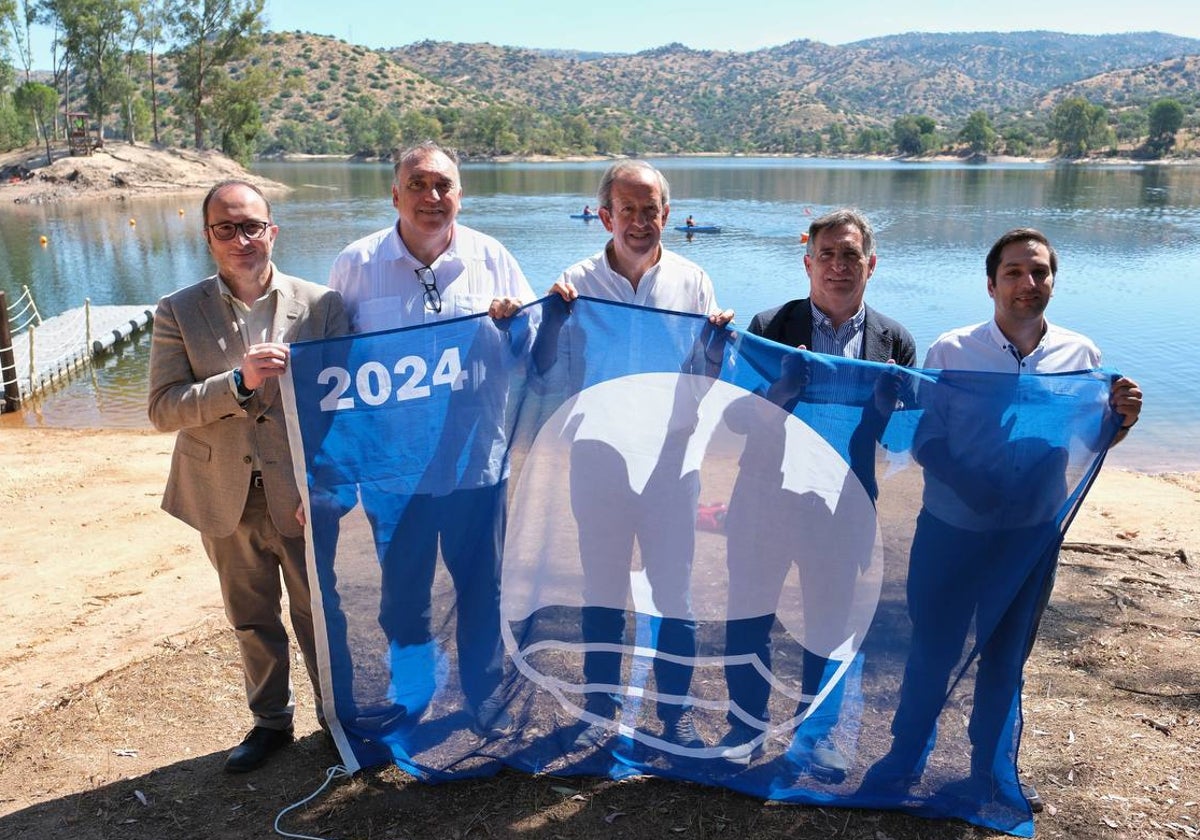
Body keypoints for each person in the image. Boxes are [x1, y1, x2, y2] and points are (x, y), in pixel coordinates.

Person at [863, 228, 1142, 812]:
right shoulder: (951, 350)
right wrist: (973, 486)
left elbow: (1088, 440)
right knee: (931, 652)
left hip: (1028, 541)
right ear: (991, 284)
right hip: (951, 530)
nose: (1028, 283)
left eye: (1038, 272)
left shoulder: (1081, 356)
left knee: (1005, 657)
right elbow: (925, 440)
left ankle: (987, 772)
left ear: (1052, 283)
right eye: (1014, 272)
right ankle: (903, 760)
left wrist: (1120, 422)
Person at [327, 140, 532, 739]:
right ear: (395, 194)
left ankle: (484, 696)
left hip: (477, 466)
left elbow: (530, 354)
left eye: (443, 186)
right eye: (418, 184)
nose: (431, 196)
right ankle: (411, 693)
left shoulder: (495, 259)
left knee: (481, 588)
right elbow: (333, 368)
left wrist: (515, 325)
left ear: (460, 197)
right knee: (402, 593)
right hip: (395, 472)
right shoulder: (356, 265)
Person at [148, 179, 349, 773]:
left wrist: (325, 486)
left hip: (301, 496)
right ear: (209, 237)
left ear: (272, 231)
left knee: (319, 613)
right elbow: (163, 407)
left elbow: (344, 410)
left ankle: (337, 720)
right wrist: (236, 384)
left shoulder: (322, 305)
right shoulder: (177, 310)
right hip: (222, 494)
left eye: (251, 226)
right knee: (251, 616)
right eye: (226, 229)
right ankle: (270, 722)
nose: (241, 239)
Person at [719, 209, 916, 779]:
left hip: (844, 504)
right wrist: (776, 399)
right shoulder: (768, 325)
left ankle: (819, 735)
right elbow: (735, 419)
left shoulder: (894, 340)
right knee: (749, 618)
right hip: (764, 501)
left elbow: (901, 436)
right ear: (807, 262)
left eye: (850, 255)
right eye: (826, 254)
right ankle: (745, 728)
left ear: (870, 265)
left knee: (830, 624)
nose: (837, 266)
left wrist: (883, 409)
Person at [548, 160, 733, 751]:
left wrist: (719, 346)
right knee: (601, 586)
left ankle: (675, 714)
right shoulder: (574, 283)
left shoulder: (694, 280)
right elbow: (545, 367)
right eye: (626, 209)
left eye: (650, 210)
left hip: (672, 463)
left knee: (672, 590)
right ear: (605, 216)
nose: (639, 221)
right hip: (598, 458)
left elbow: (705, 375)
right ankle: (598, 707)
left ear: (666, 215)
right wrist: (549, 317)